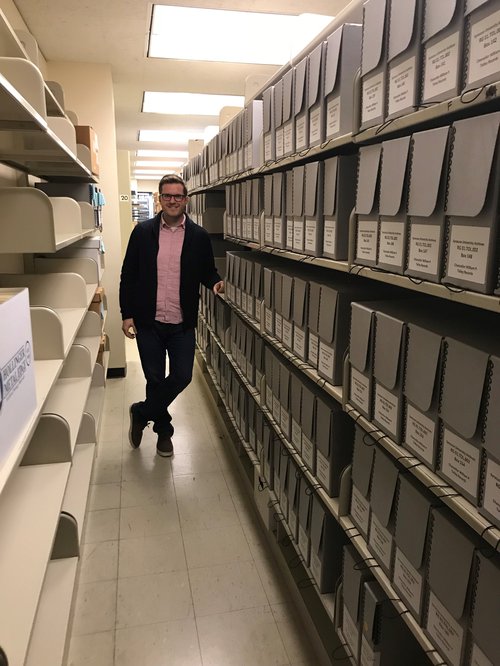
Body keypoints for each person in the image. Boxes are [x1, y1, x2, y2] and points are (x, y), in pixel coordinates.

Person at [119, 174, 224, 457]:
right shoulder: (142, 233)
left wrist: (215, 282)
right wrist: (126, 314)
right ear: (159, 199)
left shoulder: (199, 236)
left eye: (178, 196)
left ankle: (141, 412)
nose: (173, 201)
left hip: (182, 322)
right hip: (149, 322)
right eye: (167, 196)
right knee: (154, 379)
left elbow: (207, 270)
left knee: (182, 376)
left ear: (186, 200)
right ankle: (164, 432)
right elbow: (128, 275)